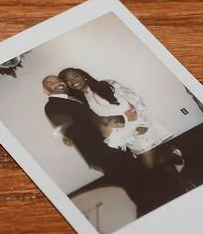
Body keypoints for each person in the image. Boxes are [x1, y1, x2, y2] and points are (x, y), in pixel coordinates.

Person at [42, 74, 173, 216]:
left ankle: (158, 205)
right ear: (46, 90)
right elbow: (76, 130)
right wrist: (119, 119)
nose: (57, 82)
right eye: (51, 82)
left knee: (136, 177)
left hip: (112, 145)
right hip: (101, 152)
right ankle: (150, 210)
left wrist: (118, 123)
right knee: (131, 182)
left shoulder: (71, 98)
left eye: (58, 79)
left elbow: (90, 119)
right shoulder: (52, 106)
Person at [58, 68, 177, 171]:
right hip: (124, 135)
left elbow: (135, 100)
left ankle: (175, 160)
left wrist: (143, 123)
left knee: (160, 158)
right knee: (155, 164)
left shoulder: (107, 84)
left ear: (83, 76)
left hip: (140, 124)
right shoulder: (80, 102)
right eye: (68, 80)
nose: (73, 81)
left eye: (75, 76)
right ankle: (175, 167)